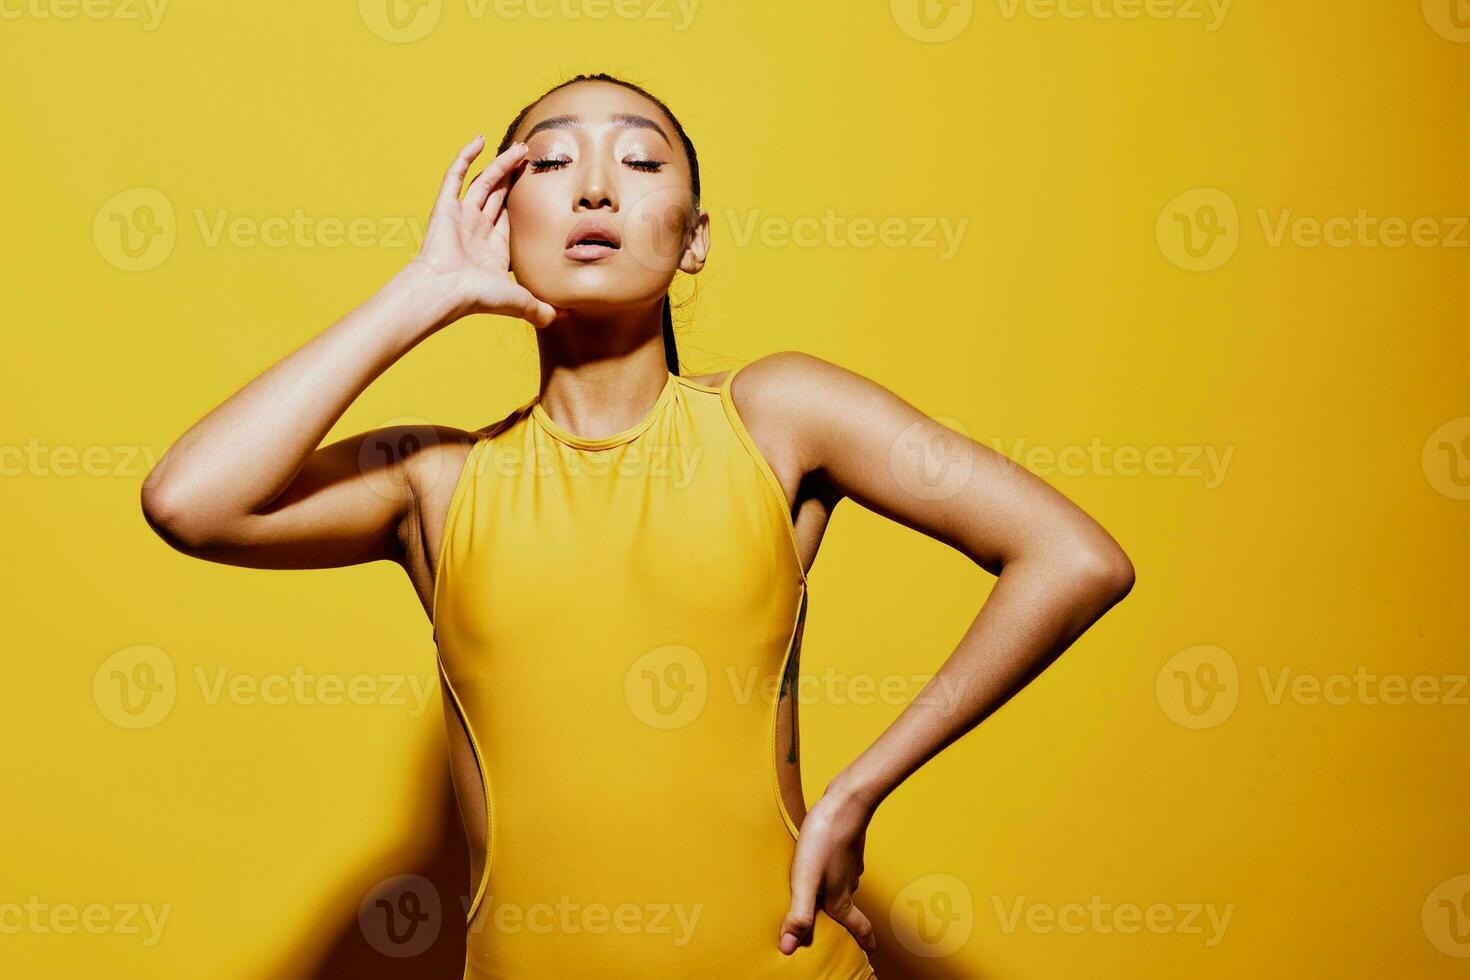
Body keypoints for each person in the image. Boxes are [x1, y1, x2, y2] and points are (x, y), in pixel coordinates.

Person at [140, 72, 1135, 980]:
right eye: (553, 162)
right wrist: (426, 290)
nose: (596, 189)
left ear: (694, 235)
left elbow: (1074, 557)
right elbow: (191, 499)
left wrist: (856, 792)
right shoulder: (434, 482)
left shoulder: (781, 416)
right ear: (500, 219)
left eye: (641, 160)